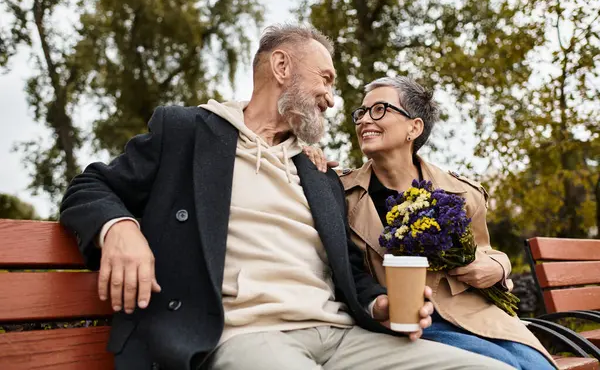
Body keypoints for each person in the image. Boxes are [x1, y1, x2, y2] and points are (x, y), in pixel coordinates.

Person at [60, 25, 514, 370]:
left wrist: (380, 304)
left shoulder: (318, 173)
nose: (332, 100)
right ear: (281, 68)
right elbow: (90, 187)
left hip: (343, 337)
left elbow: (353, 276)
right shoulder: (188, 132)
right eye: (326, 79)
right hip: (249, 333)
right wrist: (119, 228)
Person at [304, 76, 557, 370]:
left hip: (477, 315)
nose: (363, 121)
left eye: (380, 110)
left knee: (536, 365)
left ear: (415, 127)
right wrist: (303, 157)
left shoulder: (461, 192)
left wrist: (500, 266)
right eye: (361, 112)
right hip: (405, 326)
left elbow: (485, 252)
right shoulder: (338, 193)